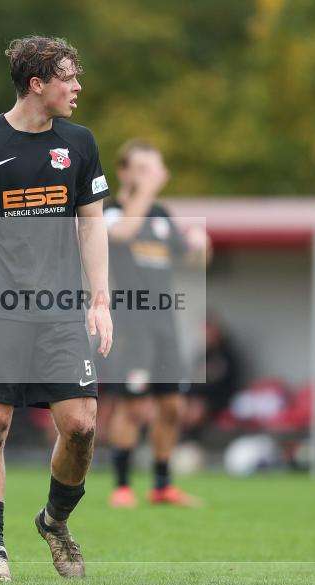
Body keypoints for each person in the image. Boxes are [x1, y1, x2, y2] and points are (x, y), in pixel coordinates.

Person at [0, 36, 112, 583]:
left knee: (81, 425)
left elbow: (93, 225)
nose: (78, 87)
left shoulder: (80, 143)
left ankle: (54, 521)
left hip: (60, 312)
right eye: (68, 77)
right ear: (37, 85)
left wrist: (100, 301)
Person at [102, 140, 202, 508]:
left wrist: (199, 244)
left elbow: (190, 256)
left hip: (165, 322)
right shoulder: (111, 211)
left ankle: (162, 484)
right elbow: (123, 234)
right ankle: (123, 485)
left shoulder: (161, 214)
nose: (150, 177)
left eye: (154, 169)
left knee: (173, 405)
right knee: (132, 405)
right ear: (124, 172)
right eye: (141, 169)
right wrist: (144, 191)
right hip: (131, 322)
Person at [184, 315, 241, 436]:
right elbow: (195, 379)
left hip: (219, 398)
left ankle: (191, 439)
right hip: (198, 396)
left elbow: (219, 384)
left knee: (197, 409)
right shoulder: (202, 355)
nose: (207, 335)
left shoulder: (227, 354)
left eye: (209, 330)